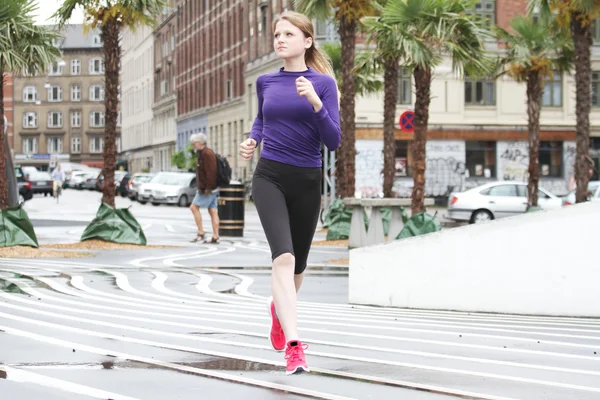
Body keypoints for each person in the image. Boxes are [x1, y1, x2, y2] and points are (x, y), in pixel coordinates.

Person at [239, 11, 341, 375]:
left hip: (308, 180)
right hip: (270, 176)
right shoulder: (265, 82)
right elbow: (263, 119)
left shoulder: (324, 84)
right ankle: (295, 347)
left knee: (297, 266)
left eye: (288, 34)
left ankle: (278, 309)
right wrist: (253, 139)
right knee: (282, 258)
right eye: (277, 34)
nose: (280, 39)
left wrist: (315, 103)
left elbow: (333, 141)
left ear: (307, 41)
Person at [189, 133, 221, 244]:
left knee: (193, 207)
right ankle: (216, 236)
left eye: (194, 144)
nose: (193, 146)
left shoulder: (206, 153)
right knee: (213, 211)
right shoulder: (202, 153)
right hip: (211, 188)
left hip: (207, 189)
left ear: (199, 143)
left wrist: (208, 188)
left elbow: (211, 172)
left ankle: (201, 232)